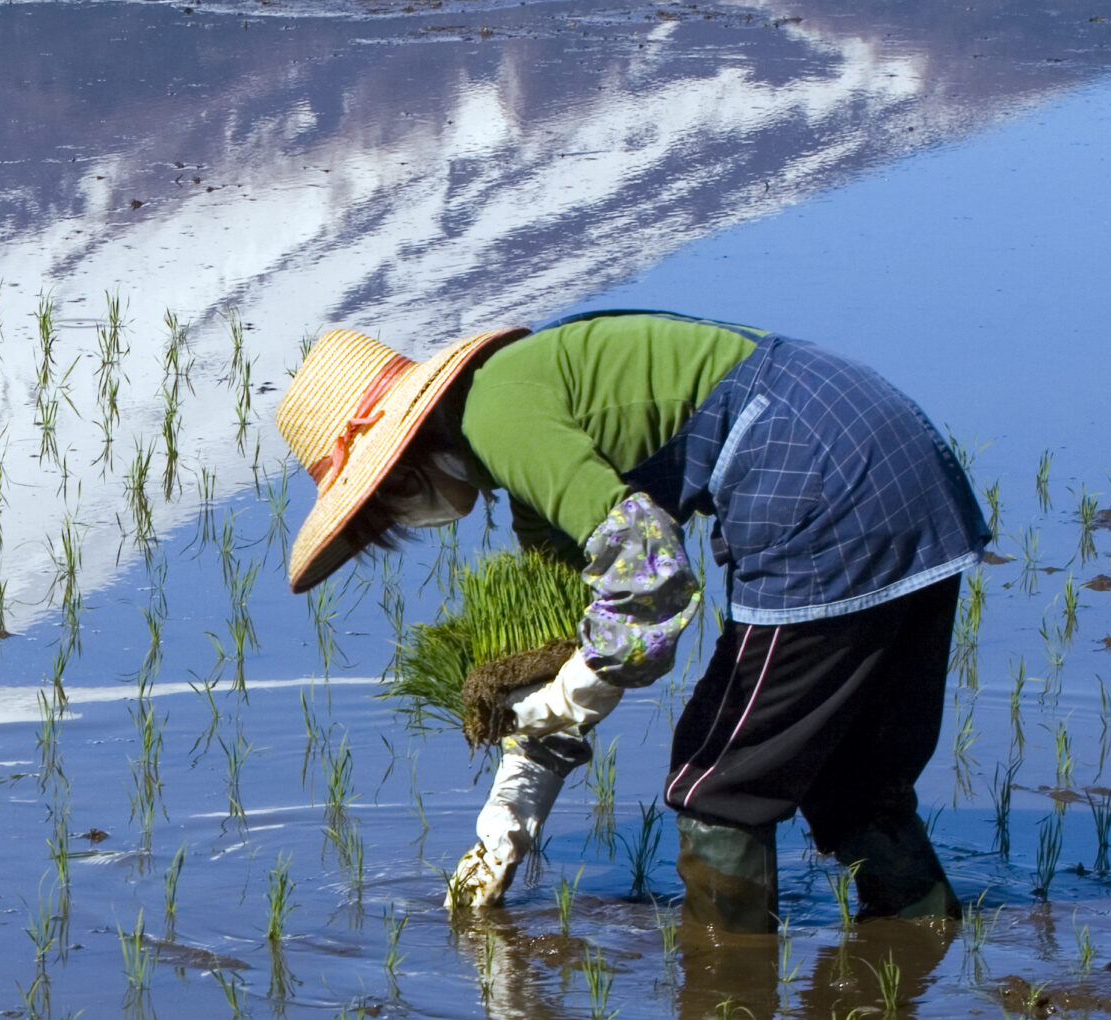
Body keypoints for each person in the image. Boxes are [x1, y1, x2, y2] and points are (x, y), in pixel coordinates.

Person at [273, 313, 983, 931]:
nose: (408, 519)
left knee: (719, 784)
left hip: (812, 480)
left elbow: (649, 582)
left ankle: (725, 1009)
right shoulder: (523, 425)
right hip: (899, 458)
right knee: (854, 779)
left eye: (390, 504)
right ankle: (921, 953)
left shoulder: (499, 414)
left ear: (403, 459)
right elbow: (579, 641)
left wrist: (576, 689)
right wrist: (509, 815)